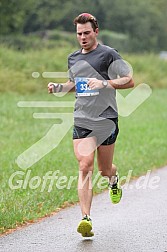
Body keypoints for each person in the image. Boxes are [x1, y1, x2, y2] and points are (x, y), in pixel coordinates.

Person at [48, 13, 134, 237]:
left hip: (106, 119)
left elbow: (129, 80)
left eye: (87, 33)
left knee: (105, 170)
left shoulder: (108, 54)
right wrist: (59, 87)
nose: (83, 37)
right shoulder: (73, 58)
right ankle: (85, 218)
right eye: (79, 34)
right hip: (83, 118)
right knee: (85, 166)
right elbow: (76, 85)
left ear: (96, 31)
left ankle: (113, 180)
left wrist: (105, 82)